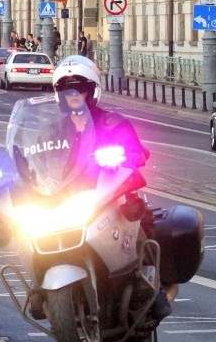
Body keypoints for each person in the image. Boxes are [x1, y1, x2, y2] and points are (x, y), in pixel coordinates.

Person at [52, 56, 175, 320]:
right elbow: (34, 156)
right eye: (66, 89)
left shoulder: (112, 122)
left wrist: (128, 155)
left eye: (79, 88)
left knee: (139, 217)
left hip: (109, 192)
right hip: (64, 198)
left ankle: (155, 288)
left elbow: (135, 150)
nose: (73, 95)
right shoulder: (53, 130)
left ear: (91, 90)